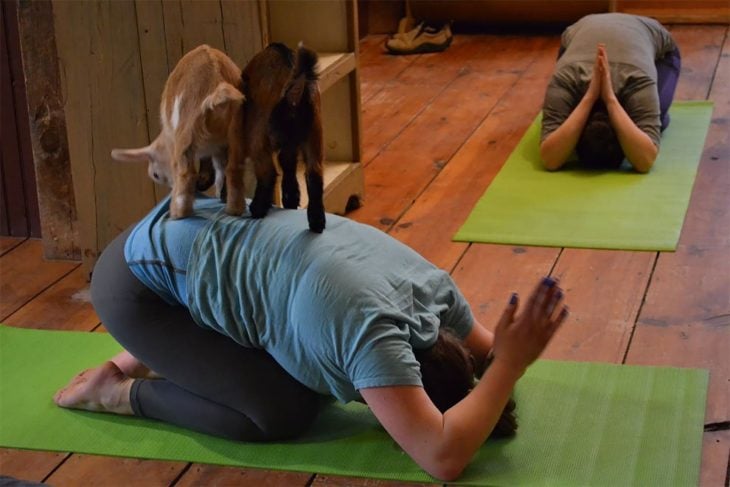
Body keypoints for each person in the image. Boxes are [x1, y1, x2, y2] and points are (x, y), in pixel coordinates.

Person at [54, 195, 568, 481]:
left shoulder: (435, 296)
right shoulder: (370, 341)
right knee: (281, 411)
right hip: (134, 285)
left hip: (186, 221)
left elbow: (489, 352)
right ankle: (115, 391)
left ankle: (167, 348)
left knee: (301, 361)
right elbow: (442, 456)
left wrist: (507, 359)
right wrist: (508, 369)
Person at [540, 13, 681, 173]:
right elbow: (644, 161)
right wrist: (597, 97)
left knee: (658, 115)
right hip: (583, 29)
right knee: (653, 121)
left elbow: (551, 160)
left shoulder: (636, 80)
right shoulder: (568, 78)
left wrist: (603, 97)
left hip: (656, 45)